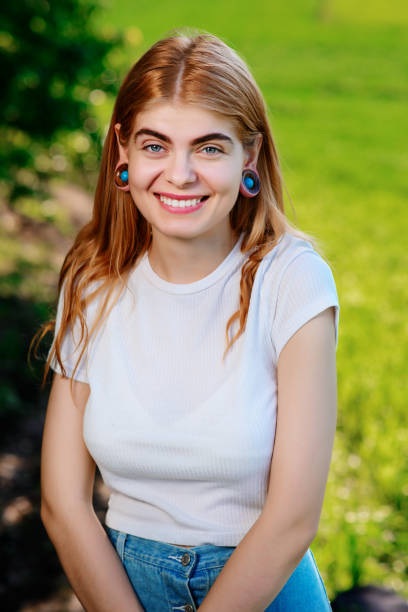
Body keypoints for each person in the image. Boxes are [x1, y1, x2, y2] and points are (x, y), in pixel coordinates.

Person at [37, 29, 340, 612]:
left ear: (248, 157)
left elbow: (293, 517)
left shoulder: (292, 280)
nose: (178, 175)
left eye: (208, 147)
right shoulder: (92, 282)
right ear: (121, 149)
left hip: (265, 591)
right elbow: (62, 502)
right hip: (120, 590)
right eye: (155, 146)